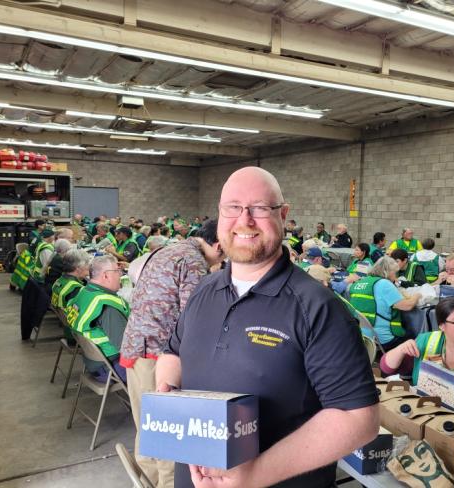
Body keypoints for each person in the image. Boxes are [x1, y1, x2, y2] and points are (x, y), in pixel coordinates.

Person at [156, 167, 379, 488]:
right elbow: (174, 354)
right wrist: (167, 392)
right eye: (232, 207)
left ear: (283, 214)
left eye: (259, 208)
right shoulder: (204, 290)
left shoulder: (318, 308)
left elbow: (358, 419)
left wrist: (254, 475)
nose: (244, 220)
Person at [120, 220, 225, 488]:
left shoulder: (169, 250)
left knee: (148, 428)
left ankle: (145, 483)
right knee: (168, 433)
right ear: (218, 246)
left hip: (138, 348)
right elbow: (196, 317)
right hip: (158, 355)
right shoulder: (193, 263)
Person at [65, 255, 128, 382]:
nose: (120, 275)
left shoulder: (83, 292)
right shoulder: (108, 307)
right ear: (106, 275)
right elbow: (127, 348)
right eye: (118, 271)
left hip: (92, 362)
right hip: (109, 368)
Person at [348, 256, 421, 351]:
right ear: (388, 272)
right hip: (383, 339)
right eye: (395, 273)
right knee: (416, 335)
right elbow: (407, 306)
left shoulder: (361, 282)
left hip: (362, 335)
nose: (395, 276)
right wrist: (417, 295)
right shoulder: (384, 284)